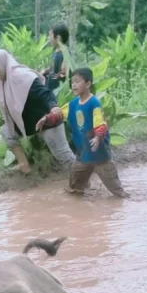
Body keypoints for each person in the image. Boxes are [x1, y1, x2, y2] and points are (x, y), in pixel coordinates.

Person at [0, 49, 75, 175]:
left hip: (47, 121)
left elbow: (44, 94)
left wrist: (53, 107)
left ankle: (83, 179)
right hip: (29, 124)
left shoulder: (24, 77)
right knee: (6, 131)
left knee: (64, 156)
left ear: (3, 65)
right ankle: (25, 166)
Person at [39, 67, 126, 198]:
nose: (73, 84)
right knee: (75, 186)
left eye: (77, 81)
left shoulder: (94, 103)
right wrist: (46, 118)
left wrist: (97, 138)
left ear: (88, 84)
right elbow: (58, 114)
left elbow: (100, 123)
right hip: (83, 154)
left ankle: (122, 199)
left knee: (116, 189)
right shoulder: (73, 104)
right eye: (72, 82)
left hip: (99, 155)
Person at [42, 23, 70, 94]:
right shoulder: (56, 52)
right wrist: (45, 71)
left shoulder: (65, 54)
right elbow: (54, 69)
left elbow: (63, 73)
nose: (48, 38)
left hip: (58, 94)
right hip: (51, 91)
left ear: (58, 38)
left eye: (50, 35)